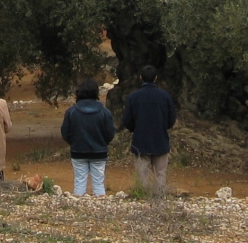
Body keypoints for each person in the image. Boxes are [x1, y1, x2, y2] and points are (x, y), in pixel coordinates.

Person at [122, 65, 177, 197]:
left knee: (142, 175)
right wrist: (163, 127)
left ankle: (142, 199)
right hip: (160, 140)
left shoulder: (133, 97)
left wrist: (135, 128)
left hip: (141, 140)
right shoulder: (165, 96)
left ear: (140, 78)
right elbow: (171, 119)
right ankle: (159, 200)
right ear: (156, 78)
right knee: (160, 174)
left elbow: (127, 120)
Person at [61, 79, 116, 196]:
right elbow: (110, 133)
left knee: (79, 182)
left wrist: (74, 143)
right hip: (99, 152)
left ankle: (79, 208)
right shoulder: (104, 112)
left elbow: (65, 133)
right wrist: (103, 143)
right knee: (99, 183)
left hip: (78, 151)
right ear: (96, 93)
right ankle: (100, 208)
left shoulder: (72, 112)